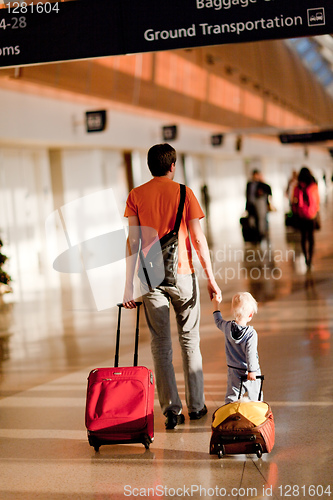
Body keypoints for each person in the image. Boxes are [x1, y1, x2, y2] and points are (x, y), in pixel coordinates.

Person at [122, 143, 222, 429]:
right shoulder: (184, 193)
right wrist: (211, 278)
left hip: (150, 278)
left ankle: (171, 411)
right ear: (172, 166)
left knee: (161, 345)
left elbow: (133, 242)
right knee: (189, 341)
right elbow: (198, 239)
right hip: (184, 275)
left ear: (150, 166)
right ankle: (197, 406)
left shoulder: (136, 195)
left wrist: (128, 285)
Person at [211, 291, 262, 403]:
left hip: (233, 370)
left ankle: (230, 414)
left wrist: (216, 304)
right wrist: (252, 370)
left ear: (232, 311)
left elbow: (218, 321)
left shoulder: (227, 327)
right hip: (249, 371)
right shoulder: (251, 334)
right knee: (255, 395)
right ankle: (256, 414)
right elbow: (251, 353)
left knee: (232, 395)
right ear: (250, 314)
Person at [292, 166, 320, 270]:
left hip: (301, 214)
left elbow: (294, 201)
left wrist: (295, 212)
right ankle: (310, 258)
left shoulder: (297, 187)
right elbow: (317, 200)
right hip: (311, 215)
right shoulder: (313, 186)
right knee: (311, 237)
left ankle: (305, 257)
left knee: (303, 237)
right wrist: (316, 211)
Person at [246, 170, 272, 243]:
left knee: (261, 220)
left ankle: (261, 234)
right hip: (251, 205)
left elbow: (268, 192)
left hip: (260, 206)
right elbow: (247, 196)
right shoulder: (249, 184)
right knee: (252, 221)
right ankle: (255, 235)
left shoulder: (262, 184)